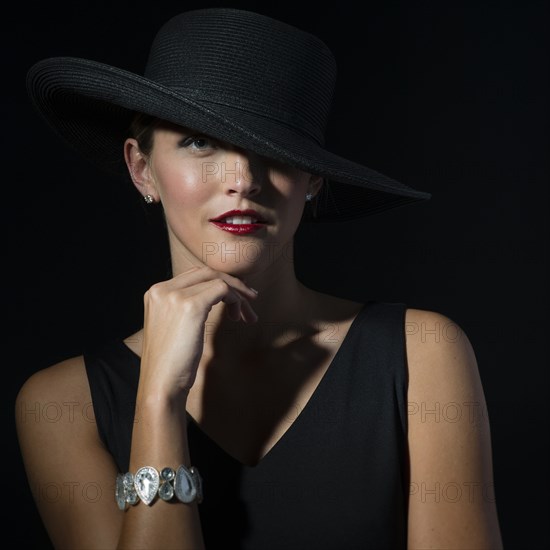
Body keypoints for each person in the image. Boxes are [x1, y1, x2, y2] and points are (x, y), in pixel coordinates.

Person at [16, 7, 503, 550]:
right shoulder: (61, 402)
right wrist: (157, 403)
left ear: (312, 177)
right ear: (141, 168)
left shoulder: (422, 352)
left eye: (273, 150)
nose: (242, 179)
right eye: (201, 142)